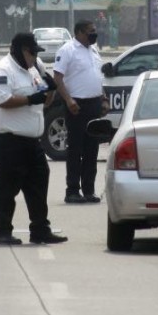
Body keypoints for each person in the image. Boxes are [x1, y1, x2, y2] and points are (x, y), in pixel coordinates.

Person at [0, 32, 68, 246]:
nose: (34, 57)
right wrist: (30, 99)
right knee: (7, 188)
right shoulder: (1, 71)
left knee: (39, 185)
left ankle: (40, 229)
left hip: (32, 142)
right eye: (32, 53)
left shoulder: (34, 68)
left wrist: (50, 90)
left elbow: (45, 102)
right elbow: (3, 100)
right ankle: (3, 231)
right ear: (22, 50)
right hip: (8, 142)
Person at [53, 19, 109, 204]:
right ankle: (72, 191)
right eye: (90, 31)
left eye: (94, 30)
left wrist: (104, 99)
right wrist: (68, 100)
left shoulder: (93, 50)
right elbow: (58, 78)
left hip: (94, 104)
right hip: (76, 105)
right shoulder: (68, 50)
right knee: (76, 149)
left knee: (92, 149)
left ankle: (89, 190)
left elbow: (97, 78)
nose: (94, 34)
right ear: (78, 32)